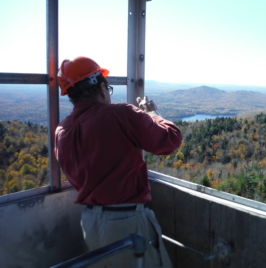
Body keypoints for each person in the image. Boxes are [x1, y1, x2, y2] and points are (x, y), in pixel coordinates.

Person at [54, 56, 182, 267]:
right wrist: (152, 114)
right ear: (102, 88)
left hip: (91, 225)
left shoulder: (62, 130)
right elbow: (170, 141)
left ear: (72, 96)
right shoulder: (120, 114)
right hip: (126, 223)